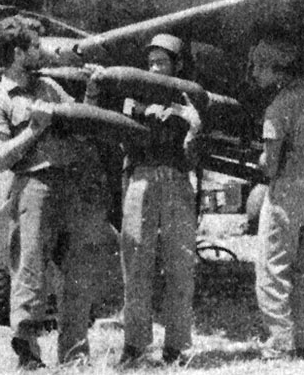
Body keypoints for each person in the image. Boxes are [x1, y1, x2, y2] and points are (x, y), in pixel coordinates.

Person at [0, 15, 107, 369]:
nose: (43, 52)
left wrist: (92, 92)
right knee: (30, 274)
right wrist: (34, 130)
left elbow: (83, 127)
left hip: (72, 186)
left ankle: (75, 357)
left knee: (78, 274)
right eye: (36, 46)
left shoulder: (50, 87)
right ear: (18, 53)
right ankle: (29, 359)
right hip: (33, 190)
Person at [108, 34, 202, 366]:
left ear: (177, 66)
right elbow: (123, 146)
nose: (155, 68)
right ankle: (135, 346)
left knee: (179, 266)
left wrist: (191, 125)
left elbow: (193, 158)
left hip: (175, 182)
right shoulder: (134, 97)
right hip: (141, 180)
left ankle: (176, 347)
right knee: (135, 265)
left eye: (162, 62)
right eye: (150, 63)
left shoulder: (190, 101)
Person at [250, 38, 304, 361]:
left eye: (258, 67)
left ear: (276, 70)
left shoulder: (277, 108)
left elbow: (269, 166)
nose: (253, 74)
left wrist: (258, 161)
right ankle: (303, 343)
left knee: (272, 269)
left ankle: (280, 341)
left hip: (287, 195)